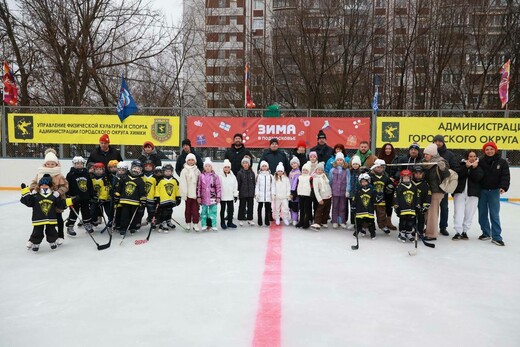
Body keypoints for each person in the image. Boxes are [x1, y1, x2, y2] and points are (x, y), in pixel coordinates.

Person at [21, 175, 73, 252]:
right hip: (38, 218)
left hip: (51, 218)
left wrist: (71, 201)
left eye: (46, 185)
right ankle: (36, 243)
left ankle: (52, 241)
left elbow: (60, 203)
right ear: (39, 186)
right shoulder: (35, 196)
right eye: (42, 185)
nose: (44, 186)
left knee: (51, 230)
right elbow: (28, 202)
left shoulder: (53, 196)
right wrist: (25, 191)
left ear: (50, 186)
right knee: (37, 231)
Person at [30, 148, 69, 245]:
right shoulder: (40, 173)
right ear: (45, 164)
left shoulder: (59, 175)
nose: (50, 166)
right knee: (40, 220)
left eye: (53, 164)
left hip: (56, 201)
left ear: (56, 164)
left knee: (58, 218)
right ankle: (33, 238)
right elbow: (34, 183)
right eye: (48, 164)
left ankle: (60, 236)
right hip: (42, 201)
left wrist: (59, 192)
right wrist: (33, 189)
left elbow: (65, 186)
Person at [478, 142, 510, 246]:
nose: (489, 151)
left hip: (495, 191)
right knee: (482, 213)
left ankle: (496, 236)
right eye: (487, 149)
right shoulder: (481, 162)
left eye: (491, 149)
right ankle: (486, 233)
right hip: (482, 191)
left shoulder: (502, 162)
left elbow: (505, 176)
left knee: (494, 214)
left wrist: (503, 187)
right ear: (484, 151)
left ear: (495, 150)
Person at [452, 150, 484, 240]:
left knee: (469, 213)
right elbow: (457, 175)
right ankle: (458, 231)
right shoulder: (460, 165)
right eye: (470, 156)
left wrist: (474, 168)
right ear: (467, 157)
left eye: (474, 156)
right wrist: (466, 167)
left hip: (473, 194)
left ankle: (465, 231)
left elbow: (478, 178)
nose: (472, 158)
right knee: (458, 212)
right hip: (460, 192)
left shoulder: (479, 167)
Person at [433, 135, 459, 236]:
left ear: (443, 142)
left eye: (440, 141)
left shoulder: (449, 154)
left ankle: (443, 227)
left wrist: (446, 174)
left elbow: (455, 167)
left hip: (443, 186)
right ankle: (429, 225)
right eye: (436, 141)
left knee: (444, 207)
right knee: (431, 208)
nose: (438, 143)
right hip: (432, 185)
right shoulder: (430, 153)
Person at [422, 143, 450, 241]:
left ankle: (431, 234)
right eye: (425, 154)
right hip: (426, 190)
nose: (425, 156)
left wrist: (443, 168)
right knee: (425, 212)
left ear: (433, 154)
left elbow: (447, 175)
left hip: (436, 191)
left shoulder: (441, 161)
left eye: (428, 154)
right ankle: (426, 228)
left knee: (432, 213)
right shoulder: (424, 163)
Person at [114, 160, 146, 236]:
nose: (136, 170)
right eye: (134, 168)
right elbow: (119, 188)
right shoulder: (124, 178)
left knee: (133, 216)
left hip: (135, 202)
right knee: (124, 216)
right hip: (124, 201)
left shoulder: (140, 181)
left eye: (138, 169)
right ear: (131, 168)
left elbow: (142, 192)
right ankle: (123, 228)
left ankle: (132, 227)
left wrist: (143, 201)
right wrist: (117, 196)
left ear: (141, 170)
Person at [65, 156, 95, 237]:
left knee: (86, 211)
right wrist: (68, 195)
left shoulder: (86, 173)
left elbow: (89, 185)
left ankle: (87, 224)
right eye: (77, 163)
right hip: (74, 198)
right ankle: (70, 226)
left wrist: (92, 195)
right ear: (74, 164)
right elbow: (67, 185)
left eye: (81, 163)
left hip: (85, 197)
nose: (79, 165)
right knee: (74, 212)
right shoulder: (70, 174)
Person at [197, 158, 222, 232]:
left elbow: (218, 187)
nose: (207, 167)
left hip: (212, 197)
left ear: (211, 167)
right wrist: (198, 196)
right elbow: (199, 187)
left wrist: (218, 196)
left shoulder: (215, 176)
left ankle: (213, 225)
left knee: (213, 212)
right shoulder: (201, 176)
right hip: (204, 197)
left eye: (209, 166)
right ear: (204, 167)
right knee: (204, 212)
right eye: (206, 166)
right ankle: (204, 225)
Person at [393, 170, 418, 243]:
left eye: (407, 178)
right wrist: (396, 206)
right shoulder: (399, 187)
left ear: (410, 178)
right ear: (401, 178)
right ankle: (402, 233)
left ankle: (409, 233)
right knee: (403, 221)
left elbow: (417, 197)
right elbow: (395, 197)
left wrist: (418, 205)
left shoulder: (414, 187)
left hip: (411, 208)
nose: (406, 179)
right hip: (402, 208)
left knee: (410, 222)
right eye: (404, 178)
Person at [155, 163, 180, 232]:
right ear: (163, 172)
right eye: (166, 171)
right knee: (164, 211)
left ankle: (168, 221)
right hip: (163, 199)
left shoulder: (174, 180)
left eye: (169, 171)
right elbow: (157, 190)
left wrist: (178, 197)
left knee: (170, 210)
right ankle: (163, 222)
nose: (168, 172)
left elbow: (177, 189)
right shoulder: (160, 180)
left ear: (172, 172)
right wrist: (157, 198)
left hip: (171, 199)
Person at [370, 159, 393, 234]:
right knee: (369, 213)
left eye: (381, 167)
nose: (380, 169)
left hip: (382, 200)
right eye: (378, 167)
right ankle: (366, 225)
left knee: (382, 214)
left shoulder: (386, 177)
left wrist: (390, 187)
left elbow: (390, 186)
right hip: (371, 200)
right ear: (374, 167)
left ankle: (383, 225)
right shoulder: (370, 176)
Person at [378, 143, 398, 230]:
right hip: (381, 182)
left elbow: (398, 170)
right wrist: (387, 177)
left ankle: (389, 221)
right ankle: (382, 221)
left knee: (390, 203)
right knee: (381, 203)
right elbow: (377, 169)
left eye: (389, 149)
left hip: (392, 183)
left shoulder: (396, 159)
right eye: (386, 149)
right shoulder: (379, 158)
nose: (388, 150)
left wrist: (394, 177)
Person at [180, 153, 201, 231]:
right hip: (188, 194)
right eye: (189, 160)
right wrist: (184, 194)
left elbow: (200, 182)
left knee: (195, 210)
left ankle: (195, 223)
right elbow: (183, 183)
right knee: (188, 210)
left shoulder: (197, 170)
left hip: (195, 195)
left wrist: (199, 194)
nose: (191, 161)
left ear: (195, 161)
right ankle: (188, 223)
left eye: (192, 160)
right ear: (186, 161)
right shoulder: (184, 171)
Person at [352, 173, 377, 239]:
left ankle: (372, 233)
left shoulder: (372, 190)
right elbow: (355, 199)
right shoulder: (358, 190)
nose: (364, 183)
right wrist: (353, 206)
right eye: (362, 182)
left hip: (369, 209)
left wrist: (378, 197)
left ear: (368, 181)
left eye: (365, 181)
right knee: (358, 222)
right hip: (360, 210)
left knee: (371, 222)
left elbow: (375, 199)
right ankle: (357, 232)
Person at [329, 152, 350, 229]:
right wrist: (330, 191)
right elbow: (330, 182)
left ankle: (342, 221)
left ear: (344, 161)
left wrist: (347, 190)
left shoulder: (346, 171)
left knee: (342, 207)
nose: (339, 161)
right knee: (335, 206)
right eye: (338, 160)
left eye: (341, 160)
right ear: (335, 161)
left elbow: (348, 181)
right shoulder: (332, 170)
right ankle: (335, 221)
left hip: (343, 192)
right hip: (335, 192)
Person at [311, 162, 332, 231]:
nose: (319, 171)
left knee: (327, 210)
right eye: (318, 170)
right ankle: (317, 222)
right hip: (322, 197)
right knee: (319, 210)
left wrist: (330, 194)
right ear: (316, 170)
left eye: (321, 170)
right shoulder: (315, 178)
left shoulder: (324, 176)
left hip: (328, 196)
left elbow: (327, 185)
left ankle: (324, 221)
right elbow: (316, 190)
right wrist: (319, 199)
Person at [411, 166, 431, 236]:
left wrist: (426, 205)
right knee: (411, 218)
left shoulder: (425, 184)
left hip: (421, 206)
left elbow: (428, 195)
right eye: (416, 173)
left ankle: (420, 231)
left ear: (423, 174)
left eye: (420, 173)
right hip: (411, 206)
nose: (418, 175)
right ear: (413, 174)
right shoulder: (410, 183)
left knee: (421, 219)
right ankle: (412, 230)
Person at [219, 159, 238, 229]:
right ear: (223, 168)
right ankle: (222, 222)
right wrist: (218, 195)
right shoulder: (220, 176)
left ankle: (230, 222)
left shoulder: (233, 177)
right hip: (223, 196)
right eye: (225, 167)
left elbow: (235, 186)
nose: (227, 169)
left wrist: (235, 195)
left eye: (228, 167)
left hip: (230, 196)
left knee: (231, 209)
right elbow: (218, 186)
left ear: (230, 168)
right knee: (223, 209)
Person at [236, 157, 256, 226]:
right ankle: (240, 219)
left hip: (250, 193)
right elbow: (238, 183)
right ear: (242, 164)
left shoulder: (252, 173)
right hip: (243, 192)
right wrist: (237, 192)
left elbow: (254, 183)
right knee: (242, 206)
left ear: (249, 164)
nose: (245, 164)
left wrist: (254, 191)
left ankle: (250, 219)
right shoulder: (240, 173)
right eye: (244, 163)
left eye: (246, 163)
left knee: (250, 206)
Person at [295, 162, 313, 229]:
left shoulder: (310, 178)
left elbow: (312, 187)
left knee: (306, 209)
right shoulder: (299, 177)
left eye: (306, 170)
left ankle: (306, 221)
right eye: (303, 170)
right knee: (301, 209)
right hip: (301, 195)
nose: (305, 171)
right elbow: (297, 185)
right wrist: (296, 193)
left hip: (307, 196)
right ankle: (301, 221)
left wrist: (311, 195)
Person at [256, 160, 273, 226]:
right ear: (260, 167)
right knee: (259, 208)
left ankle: (267, 220)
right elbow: (257, 186)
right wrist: (257, 193)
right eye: (263, 166)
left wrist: (272, 193)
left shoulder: (271, 176)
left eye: (265, 166)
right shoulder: (258, 176)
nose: (264, 167)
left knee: (267, 208)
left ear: (268, 167)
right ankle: (259, 220)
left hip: (268, 195)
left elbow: (272, 185)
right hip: (260, 195)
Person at [288, 156, 301, 225]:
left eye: (295, 163)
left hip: (295, 192)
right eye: (292, 164)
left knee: (295, 206)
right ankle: (292, 217)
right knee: (290, 205)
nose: (293, 165)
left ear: (298, 164)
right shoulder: (291, 172)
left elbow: (296, 183)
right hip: (290, 191)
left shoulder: (298, 173)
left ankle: (295, 219)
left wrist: (294, 192)